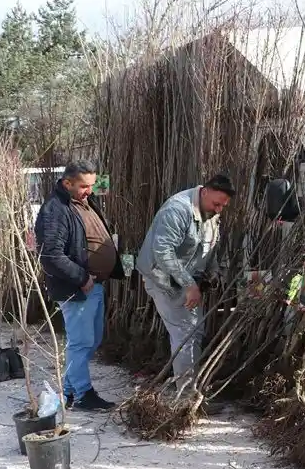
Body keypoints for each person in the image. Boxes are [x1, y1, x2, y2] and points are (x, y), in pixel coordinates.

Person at [34, 161, 125, 412]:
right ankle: (83, 394)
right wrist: (82, 278)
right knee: (81, 342)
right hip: (77, 289)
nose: (89, 190)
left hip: (92, 285)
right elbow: (51, 255)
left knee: (90, 341)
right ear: (67, 183)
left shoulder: (81, 202)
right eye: (84, 186)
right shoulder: (56, 210)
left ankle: (71, 391)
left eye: (92, 185)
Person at [136, 174, 234, 395]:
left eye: (223, 206)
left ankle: (191, 390)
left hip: (186, 280)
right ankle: (186, 397)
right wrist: (190, 285)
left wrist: (213, 272)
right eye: (216, 204)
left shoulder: (211, 211)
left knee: (194, 332)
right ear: (204, 191)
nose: (219, 210)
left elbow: (207, 246)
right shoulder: (177, 210)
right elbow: (162, 252)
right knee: (186, 334)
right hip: (165, 281)